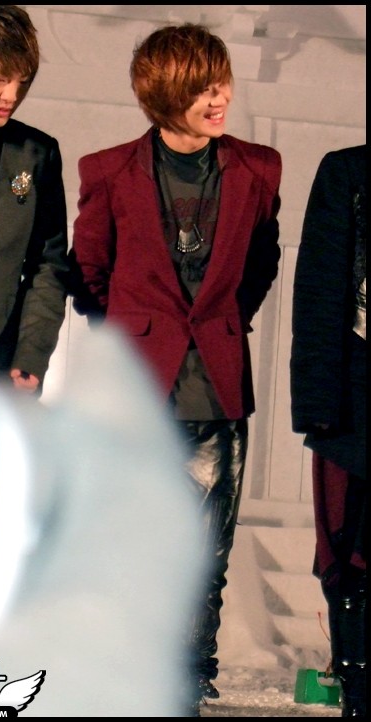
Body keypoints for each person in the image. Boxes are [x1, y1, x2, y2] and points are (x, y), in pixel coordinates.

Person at [71, 23, 281, 716]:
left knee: (205, 558)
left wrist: (219, 324)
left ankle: (186, 684)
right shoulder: (108, 171)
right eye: (201, 88)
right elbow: (89, 270)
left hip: (217, 388)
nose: (219, 98)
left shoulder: (259, 169)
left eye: (222, 83)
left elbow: (262, 261)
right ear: (165, 95)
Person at [290, 145, 366, 718]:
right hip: (353, 400)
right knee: (349, 557)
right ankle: (357, 691)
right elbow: (318, 290)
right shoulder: (348, 172)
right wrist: (316, 406)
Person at [0, 5, 69, 394]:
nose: (11, 95)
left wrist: (31, 356)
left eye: (22, 82)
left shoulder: (37, 152)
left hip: (4, 369)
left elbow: (49, 266)